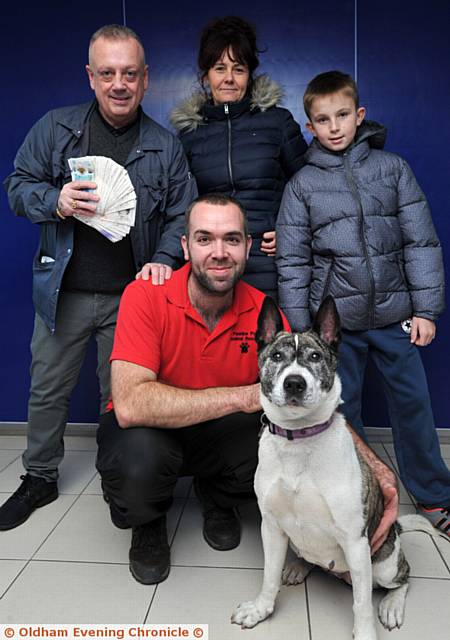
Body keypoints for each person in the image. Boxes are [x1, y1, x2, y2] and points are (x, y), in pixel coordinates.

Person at [96, 193, 399, 585]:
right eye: (204, 239)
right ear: (185, 246)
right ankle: (148, 522)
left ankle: (218, 498)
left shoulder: (263, 312)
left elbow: (313, 398)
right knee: (137, 459)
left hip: (219, 432)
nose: (219, 252)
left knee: (272, 447)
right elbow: (131, 404)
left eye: (232, 239)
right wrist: (246, 395)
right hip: (149, 432)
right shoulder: (144, 295)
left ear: (248, 247)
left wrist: (373, 466)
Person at [0, 24, 197, 531]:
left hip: (132, 298)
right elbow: (17, 186)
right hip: (61, 291)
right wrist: (55, 200)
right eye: (107, 73)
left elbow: (182, 213)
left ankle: (125, 485)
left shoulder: (164, 147)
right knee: (47, 388)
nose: (119, 84)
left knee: (126, 399)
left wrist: (164, 259)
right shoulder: (56, 128)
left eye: (129, 73)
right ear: (90, 76)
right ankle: (39, 478)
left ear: (146, 79)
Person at [276, 70, 450, 536]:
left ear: (360, 116)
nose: (334, 127)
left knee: (413, 406)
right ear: (309, 126)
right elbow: (293, 262)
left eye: (342, 116)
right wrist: (301, 331)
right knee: (339, 417)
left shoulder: (392, 170)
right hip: (339, 330)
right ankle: (352, 503)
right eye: (322, 119)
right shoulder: (302, 186)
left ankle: (434, 497)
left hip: (396, 318)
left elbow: (421, 242)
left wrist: (426, 310)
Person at [169, 15, 307, 299]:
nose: (229, 78)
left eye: (238, 69)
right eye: (219, 68)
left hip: (271, 262)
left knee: (266, 340)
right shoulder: (188, 135)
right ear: (206, 76)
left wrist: (292, 234)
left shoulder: (278, 122)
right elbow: (179, 207)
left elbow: (310, 189)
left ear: (250, 74)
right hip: (213, 267)